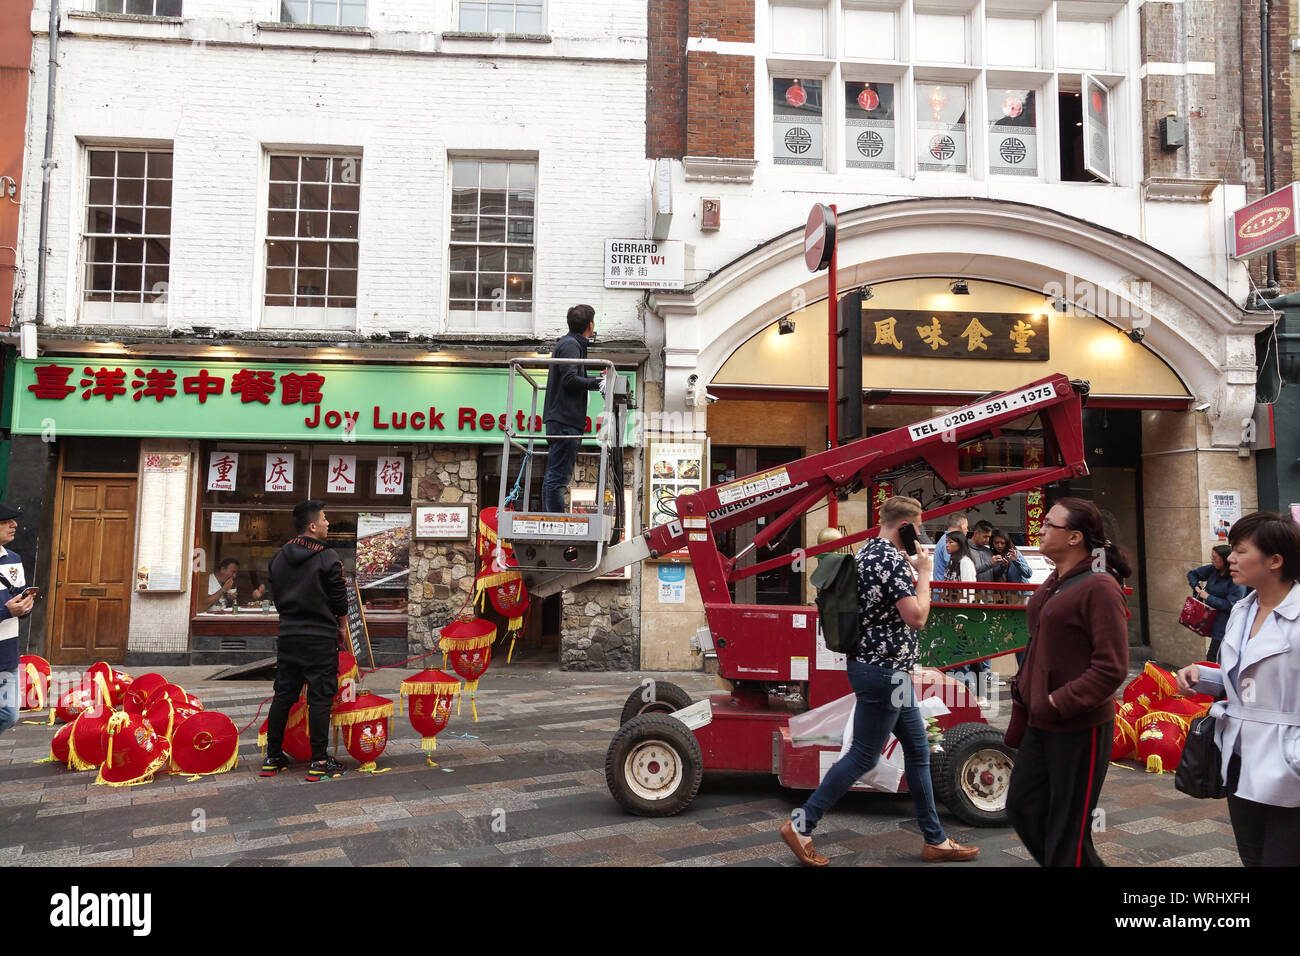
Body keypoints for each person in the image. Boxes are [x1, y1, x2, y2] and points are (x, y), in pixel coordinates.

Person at [780, 495, 979, 865]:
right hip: (885, 672)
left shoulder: (869, 551)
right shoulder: (891, 560)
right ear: (906, 526)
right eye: (917, 528)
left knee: (918, 750)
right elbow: (917, 616)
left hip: (883, 670)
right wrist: (923, 571)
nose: (919, 534)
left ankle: (934, 839)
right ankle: (801, 824)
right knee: (863, 756)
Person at [1005, 498, 1130, 867]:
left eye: (1049, 524)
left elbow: (1111, 667)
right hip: (1040, 723)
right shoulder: (1058, 580)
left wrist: (1058, 701)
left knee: (1066, 830)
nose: (1040, 529)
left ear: (1075, 537)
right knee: (1023, 808)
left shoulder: (1101, 587)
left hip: (1078, 726)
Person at [1176, 511, 1300, 867]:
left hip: (1287, 765)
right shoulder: (1244, 609)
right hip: (1240, 758)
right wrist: (1204, 675)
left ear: (1275, 560)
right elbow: (1247, 682)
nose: (1230, 559)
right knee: (1252, 858)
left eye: (1241, 550)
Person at [261, 500, 350, 782]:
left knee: (284, 695)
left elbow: (276, 597)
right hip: (319, 637)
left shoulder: (279, 557)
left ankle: (272, 757)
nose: (327, 523)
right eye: (324, 519)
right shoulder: (328, 556)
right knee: (320, 698)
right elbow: (339, 599)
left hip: (288, 636)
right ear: (312, 526)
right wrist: (343, 628)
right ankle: (319, 760)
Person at [541, 304, 605, 513]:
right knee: (558, 476)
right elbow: (569, 379)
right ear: (590, 325)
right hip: (565, 420)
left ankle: (552, 519)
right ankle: (556, 523)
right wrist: (598, 382)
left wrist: (594, 381)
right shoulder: (570, 345)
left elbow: (570, 378)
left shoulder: (570, 343)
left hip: (563, 419)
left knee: (555, 474)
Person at [0, 504, 36, 738]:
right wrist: (5, 612)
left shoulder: (14, 558)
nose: (15, 525)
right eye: (6, 521)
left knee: (9, 713)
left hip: (7, 651)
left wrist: (25, 608)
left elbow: (20, 595)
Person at [1185, 545, 1247, 664]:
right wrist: (1197, 588)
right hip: (1212, 619)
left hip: (1228, 624)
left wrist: (1208, 597)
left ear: (1225, 560)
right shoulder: (1213, 569)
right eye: (1211, 558)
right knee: (1213, 656)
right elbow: (1192, 574)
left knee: (1216, 658)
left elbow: (1232, 605)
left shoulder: (1237, 577)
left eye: (1215, 558)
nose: (1212, 561)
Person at [942, 530, 977, 604]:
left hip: (960, 607)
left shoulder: (965, 561)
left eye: (950, 542)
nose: (947, 545)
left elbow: (968, 588)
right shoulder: (952, 561)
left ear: (960, 544)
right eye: (946, 542)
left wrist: (963, 606)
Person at [932, 513, 968, 581]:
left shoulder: (944, 539)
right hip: (943, 588)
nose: (967, 530)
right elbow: (953, 567)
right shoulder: (947, 542)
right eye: (966, 527)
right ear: (961, 527)